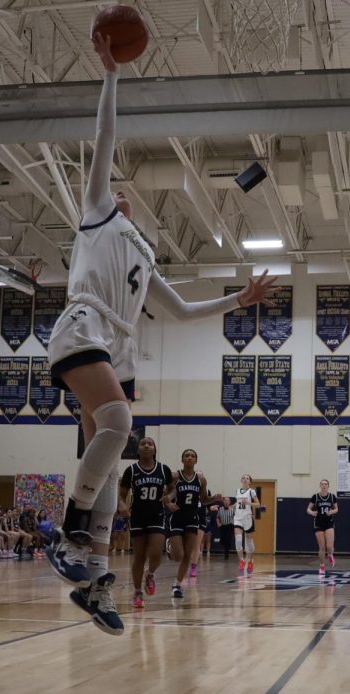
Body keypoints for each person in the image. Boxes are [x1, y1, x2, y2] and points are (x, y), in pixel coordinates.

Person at [44, 34, 278, 636]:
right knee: (120, 425)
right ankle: (69, 530)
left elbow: (182, 310)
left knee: (109, 443)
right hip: (82, 322)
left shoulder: (143, 254)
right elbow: (104, 138)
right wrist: (112, 76)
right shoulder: (96, 212)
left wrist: (240, 299)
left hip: (115, 343)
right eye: (113, 190)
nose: (117, 190)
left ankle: (95, 577)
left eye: (124, 195)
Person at [118, 437, 174, 610]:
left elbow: (173, 489)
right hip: (138, 517)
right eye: (143, 444)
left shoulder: (163, 469)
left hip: (157, 515)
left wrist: (169, 497)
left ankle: (150, 575)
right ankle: (137, 592)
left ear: (155, 449)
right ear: (138, 450)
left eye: (150, 444)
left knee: (156, 553)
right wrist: (121, 505)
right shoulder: (131, 470)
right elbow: (121, 494)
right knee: (139, 557)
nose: (146, 446)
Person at [168, 449, 218, 596]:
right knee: (178, 555)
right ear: (182, 459)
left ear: (196, 460)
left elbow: (203, 500)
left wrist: (214, 497)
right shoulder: (175, 476)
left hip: (192, 519)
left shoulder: (201, 480)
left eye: (192, 456)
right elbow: (166, 495)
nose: (189, 457)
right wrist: (169, 503)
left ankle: (177, 586)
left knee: (187, 555)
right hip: (177, 518)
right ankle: (170, 545)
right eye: (186, 455)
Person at [307, 479, 338, 575]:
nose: (324, 485)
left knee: (329, 546)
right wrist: (312, 512)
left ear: (328, 486)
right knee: (322, 547)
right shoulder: (315, 497)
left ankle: (330, 555)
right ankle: (321, 566)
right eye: (322, 484)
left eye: (326, 484)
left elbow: (336, 508)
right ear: (320, 486)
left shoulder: (332, 497)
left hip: (329, 523)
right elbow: (308, 509)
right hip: (318, 523)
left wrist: (332, 512)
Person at [233, 474, 260, 576]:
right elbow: (239, 503)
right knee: (238, 540)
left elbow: (258, 504)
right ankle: (241, 560)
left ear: (250, 482)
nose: (245, 479)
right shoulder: (237, 491)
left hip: (248, 518)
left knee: (249, 543)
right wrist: (233, 505)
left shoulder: (251, 491)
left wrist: (248, 502)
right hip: (238, 518)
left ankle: (251, 561)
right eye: (243, 478)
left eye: (247, 478)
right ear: (241, 480)